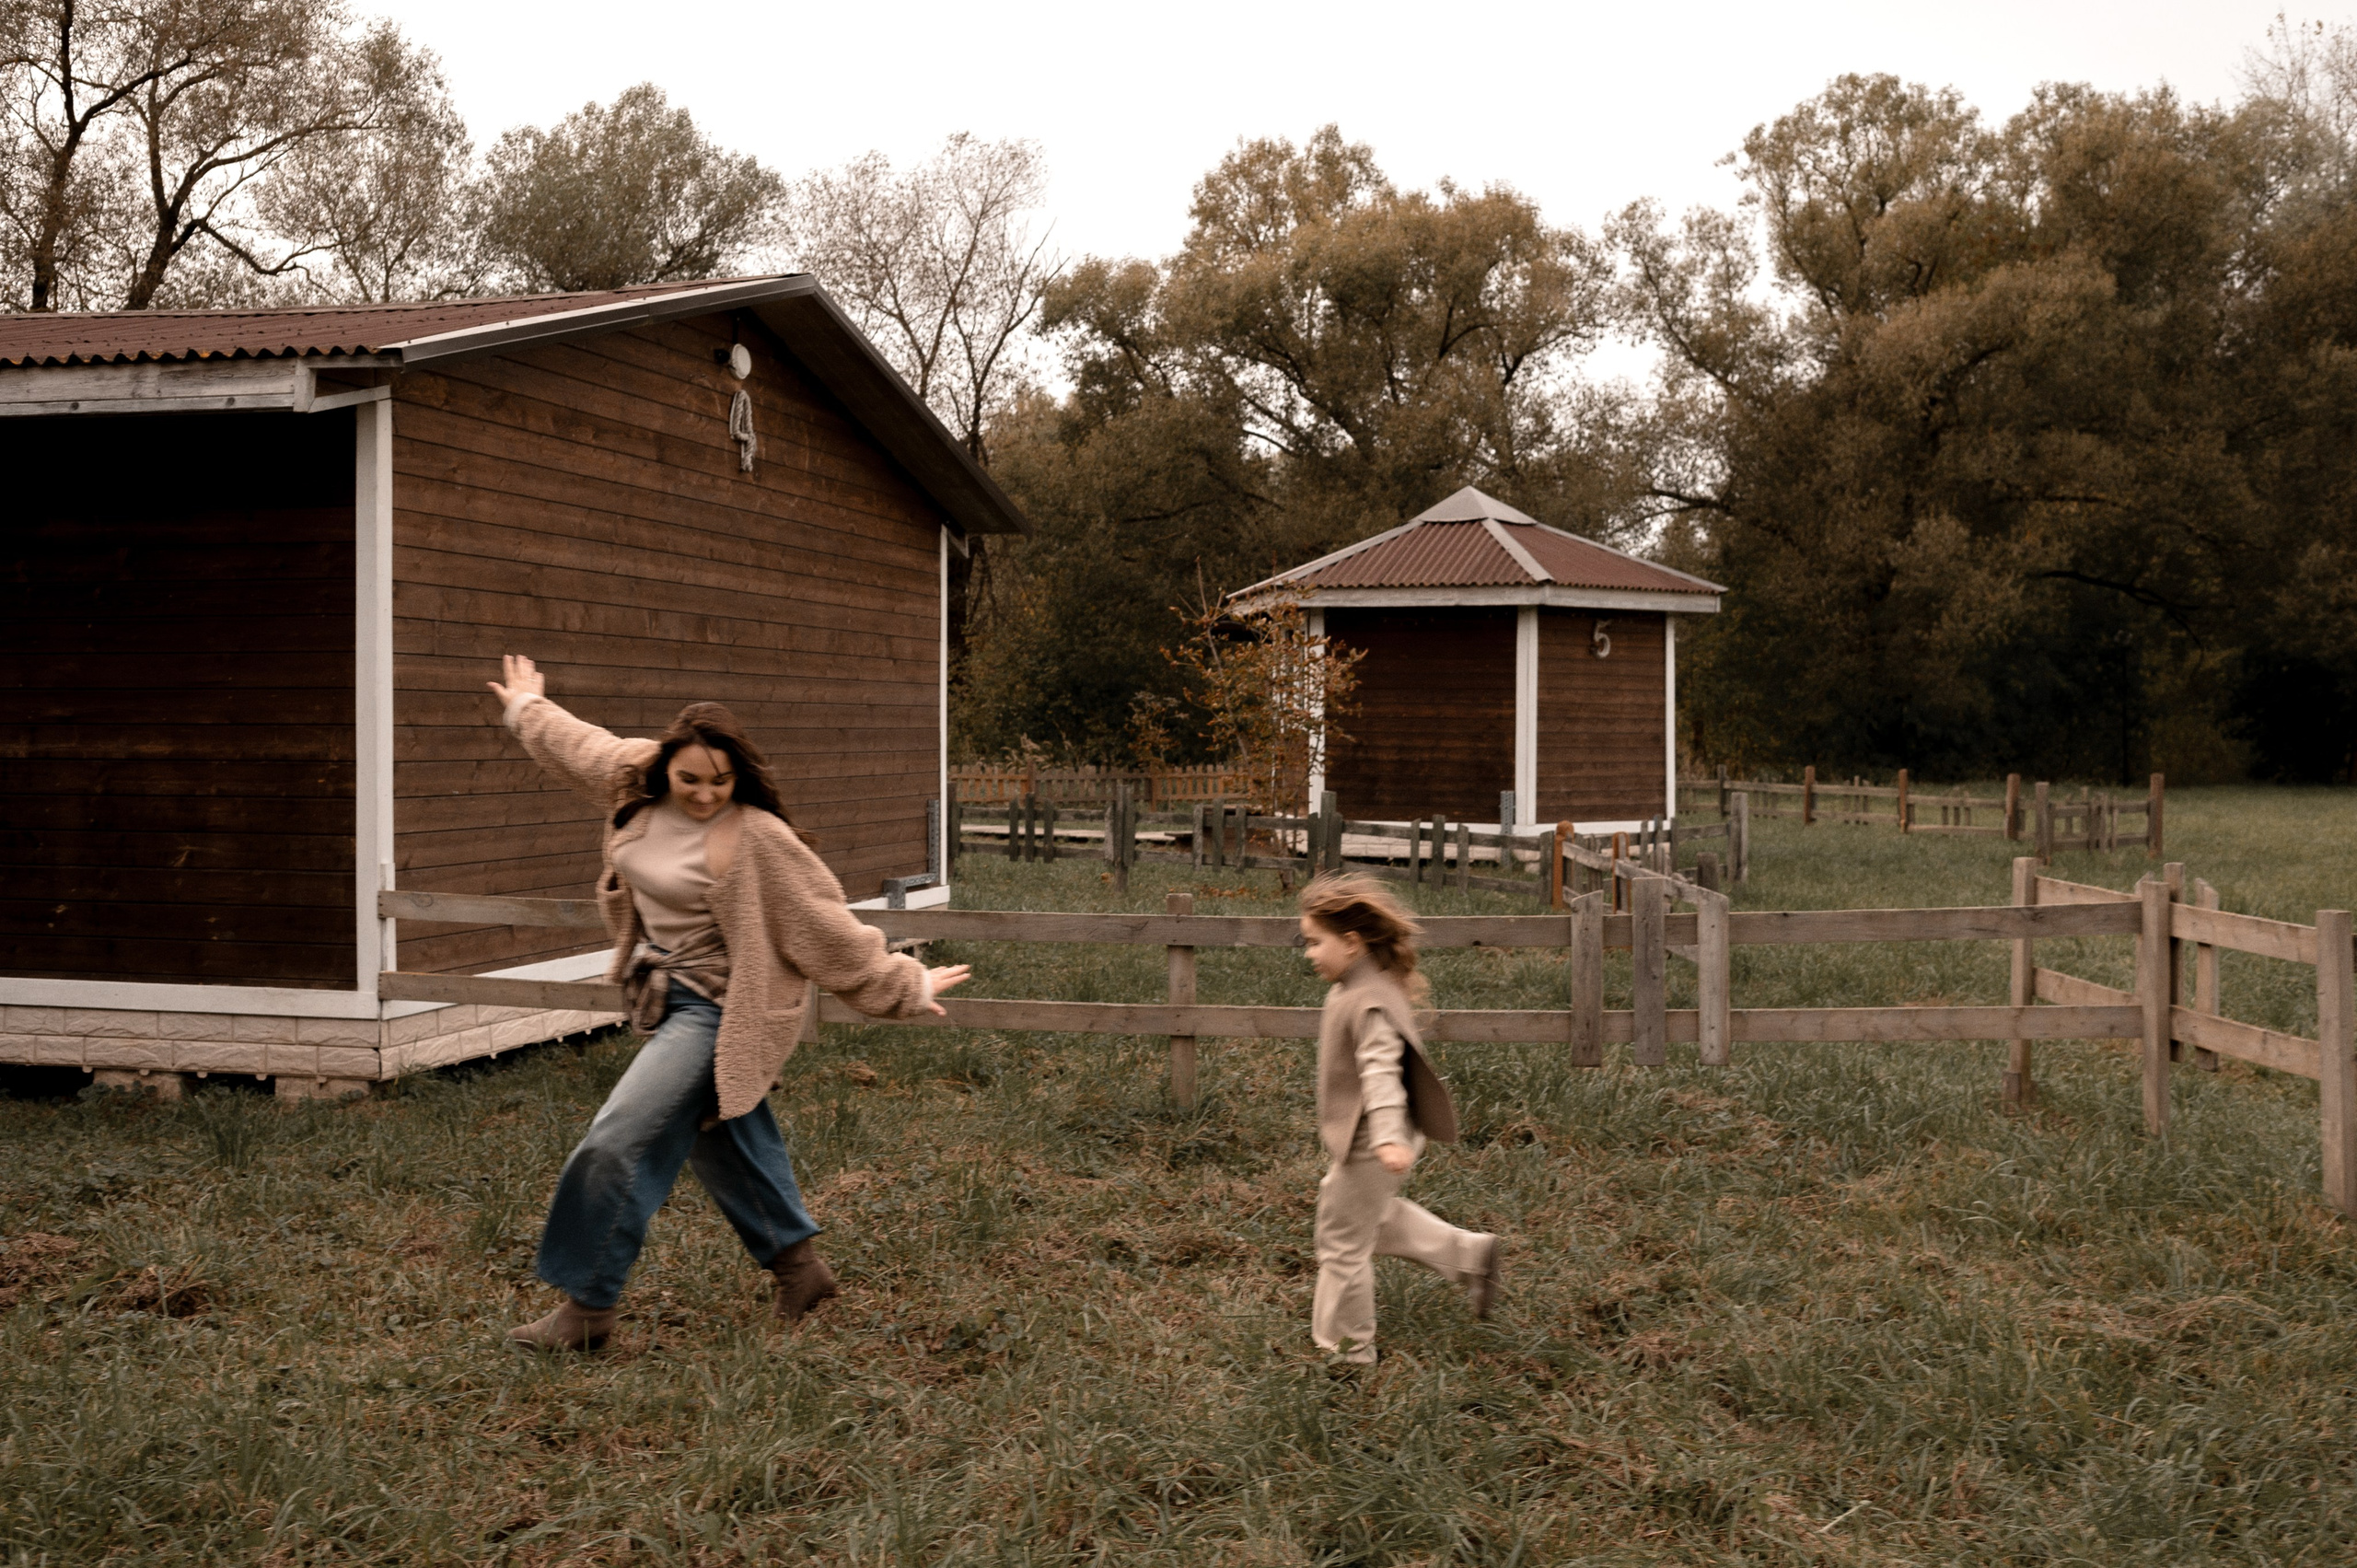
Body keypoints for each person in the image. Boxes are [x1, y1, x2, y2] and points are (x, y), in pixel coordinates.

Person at [487, 655, 969, 1352]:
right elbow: (579, 744)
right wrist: (527, 709)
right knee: (720, 1129)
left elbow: (822, 922)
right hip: (663, 993)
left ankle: (586, 1312)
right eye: (690, 780)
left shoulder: (756, 838)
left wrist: (903, 983)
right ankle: (801, 1272)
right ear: (665, 767)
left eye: (721, 781)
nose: (706, 794)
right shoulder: (634, 777)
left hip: (721, 1004)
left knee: (620, 1137)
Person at [1298, 873, 1501, 1365]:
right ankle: (1471, 1257)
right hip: (1372, 1137)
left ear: (1351, 943)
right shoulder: (1358, 984)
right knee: (1366, 1219)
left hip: (1375, 1139)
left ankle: (1348, 1354)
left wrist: (1388, 1137)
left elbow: (1382, 1072)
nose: (1308, 953)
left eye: (1314, 942)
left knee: (1342, 1243)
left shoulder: (1369, 1000)